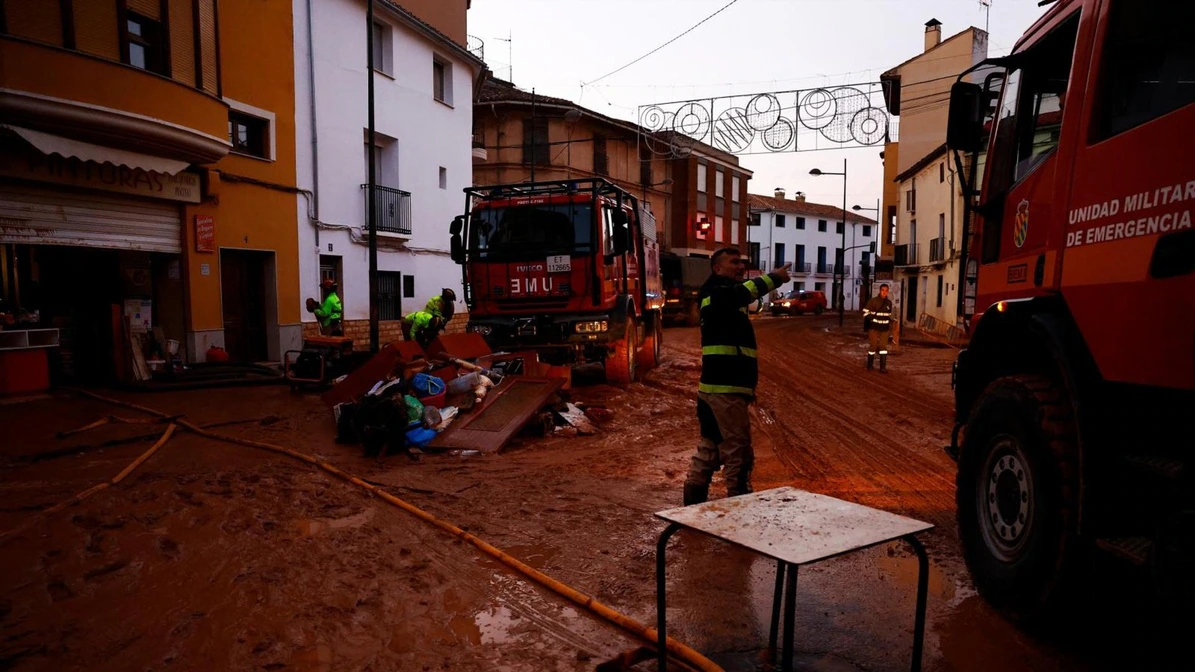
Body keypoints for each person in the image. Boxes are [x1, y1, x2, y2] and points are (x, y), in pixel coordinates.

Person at [683, 248, 791, 506]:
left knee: (710, 448)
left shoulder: (721, 295)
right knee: (738, 452)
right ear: (717, 269)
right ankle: (740, 509)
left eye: (742, 262)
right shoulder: (718, 294)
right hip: (724, 389)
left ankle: (692, 510)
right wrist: (774, 278)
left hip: (718, 388)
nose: (740, 266)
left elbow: (743, 297)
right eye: (734, 262)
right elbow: (742, 293)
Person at [862, 284, 894, 372]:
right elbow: (865, 312)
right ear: (880, 291)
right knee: (873, 346)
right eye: (883, 290)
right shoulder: (873, 301)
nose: (884, 292)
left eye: (886, 290)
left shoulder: (889, 303)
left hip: (884, 328)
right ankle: (870, 365)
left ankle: (882, 368)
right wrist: (871, 319)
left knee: (883, 347)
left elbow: (889, 315)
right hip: (874, 328)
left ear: (888, 292)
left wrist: (890, 325)